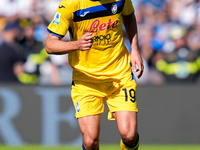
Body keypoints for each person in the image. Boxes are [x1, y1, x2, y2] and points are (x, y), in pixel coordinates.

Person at [45, 0, 144, 149]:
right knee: (90, 141)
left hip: (119, 74)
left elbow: (129, 15)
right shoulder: (70, 4)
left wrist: (135, 50)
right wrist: (76, 44)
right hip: (86, 79)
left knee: (129, 135)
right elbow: (50, 45)